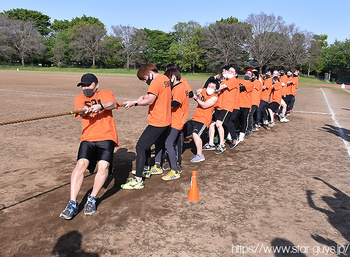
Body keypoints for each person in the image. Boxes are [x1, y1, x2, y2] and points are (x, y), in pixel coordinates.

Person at [59, 73, 119, 219]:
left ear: (96, 85)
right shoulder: (80, 98)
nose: (85, 88)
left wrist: (100, 106)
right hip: (88, 137)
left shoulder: (105, 93)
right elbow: (79, 110)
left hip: (107, 136)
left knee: (104, 167)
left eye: (88, 85)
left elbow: (112, 104)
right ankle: (72, 203)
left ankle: (92, 198)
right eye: (83, 86)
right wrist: (84, 110)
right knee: (81, 164)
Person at [121, 63, 171, 189]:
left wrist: (135, 103)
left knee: (141, 146)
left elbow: (150, 100)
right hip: (165, 120)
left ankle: (138, 179)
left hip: (157, 121)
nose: (145, 81)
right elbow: (154, 96)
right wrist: (143, 97)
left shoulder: (155, 81)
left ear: (149, 72)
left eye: (144, 78)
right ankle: (146, 169)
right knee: (147, 145)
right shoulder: (165, 79)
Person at [150, 68, 190, 180]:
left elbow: (176, 103)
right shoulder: (176, 87)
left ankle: (175, 170)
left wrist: (162, 102)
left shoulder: (180, 88)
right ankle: (157, 165)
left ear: (173, 77)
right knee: (159, 140)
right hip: (170, 120)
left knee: (168, 143)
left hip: (176, 121)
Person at [203, 66, 238, 154]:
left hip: (226, 106)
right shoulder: (225, 80)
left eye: (232, 71)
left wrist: (210, 89)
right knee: (212, 123)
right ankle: (211, 143)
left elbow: (220, 87)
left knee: (219, 123)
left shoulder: (233, 80)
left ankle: (221, 145)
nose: (230, 72)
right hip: (219, 105)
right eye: (229, 71)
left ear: (235, 74)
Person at [182, 78, 219, 162]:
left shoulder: (215, 98)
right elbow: (198, 90)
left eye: (212, 87)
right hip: (195, 118)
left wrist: (196, 98)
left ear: (216, 89)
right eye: (209, 85)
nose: (209, 87)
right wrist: (198, 93)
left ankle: (200, 155)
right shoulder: (205, 91)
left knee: (195, 134)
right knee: (181, 131)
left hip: (203, 120)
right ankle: (179, 149)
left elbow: (204, 105)